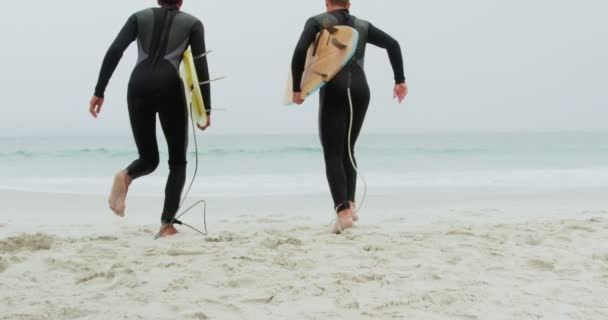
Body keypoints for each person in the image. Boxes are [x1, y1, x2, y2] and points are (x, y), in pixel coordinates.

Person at [89, 0, 212, 237]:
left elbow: (115, 50)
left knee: (148, 158)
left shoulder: (138, 16)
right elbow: (200, 66)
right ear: (181, 1)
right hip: (169, 87)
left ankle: (126, 175)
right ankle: (167, 224)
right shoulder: (193, 24)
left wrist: (99, 91)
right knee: (177, 162)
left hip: (137, 85)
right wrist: (205, 108)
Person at [291, 0, 408, 233]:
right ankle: (351, 206)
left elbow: (300, 51)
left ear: (327, 3)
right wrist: (399, 80)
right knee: (348, 148)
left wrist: (296, 88)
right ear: (349, 3)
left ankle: (342, 212)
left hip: (333, 88)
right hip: (361, 91)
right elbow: (393, 44)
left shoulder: (316, 22)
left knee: (332, 151)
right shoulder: (362, 26)